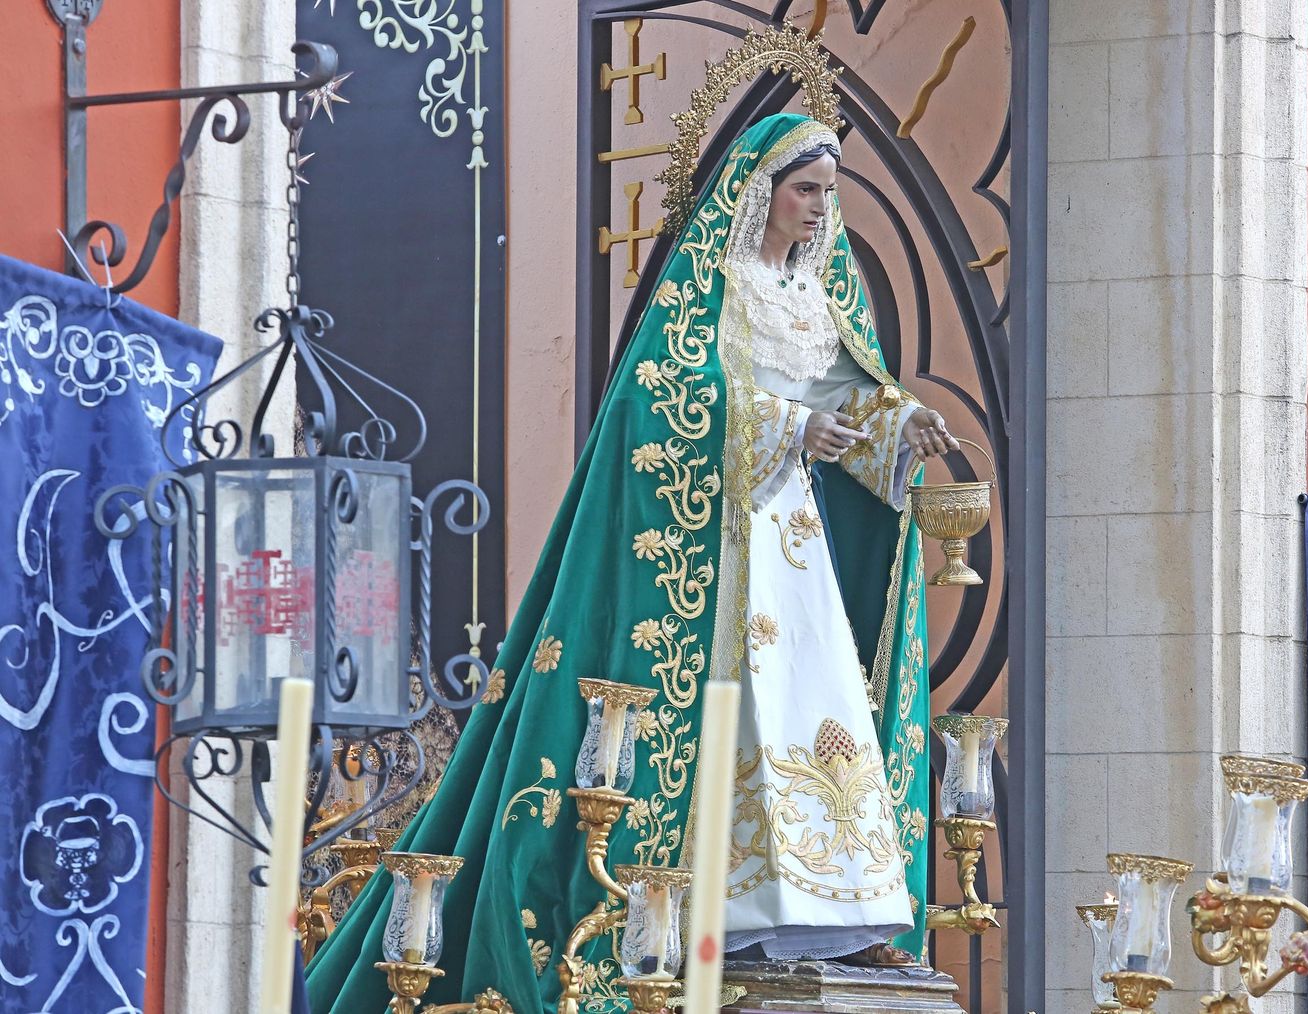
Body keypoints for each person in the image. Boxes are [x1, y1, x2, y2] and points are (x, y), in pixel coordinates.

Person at [306, 112, 952, 1013]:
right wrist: (783, 426)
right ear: (759, 193)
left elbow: (847, 391)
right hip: (726, 545)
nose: (818, 207)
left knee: (814, 711)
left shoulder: (817, 295)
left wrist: (900, 420)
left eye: (825, 192)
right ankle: (711, 912)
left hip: (792, 540)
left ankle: (831, 920)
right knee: (747, 711)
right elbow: (660, 397)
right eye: (803, 189)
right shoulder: (712, 291)